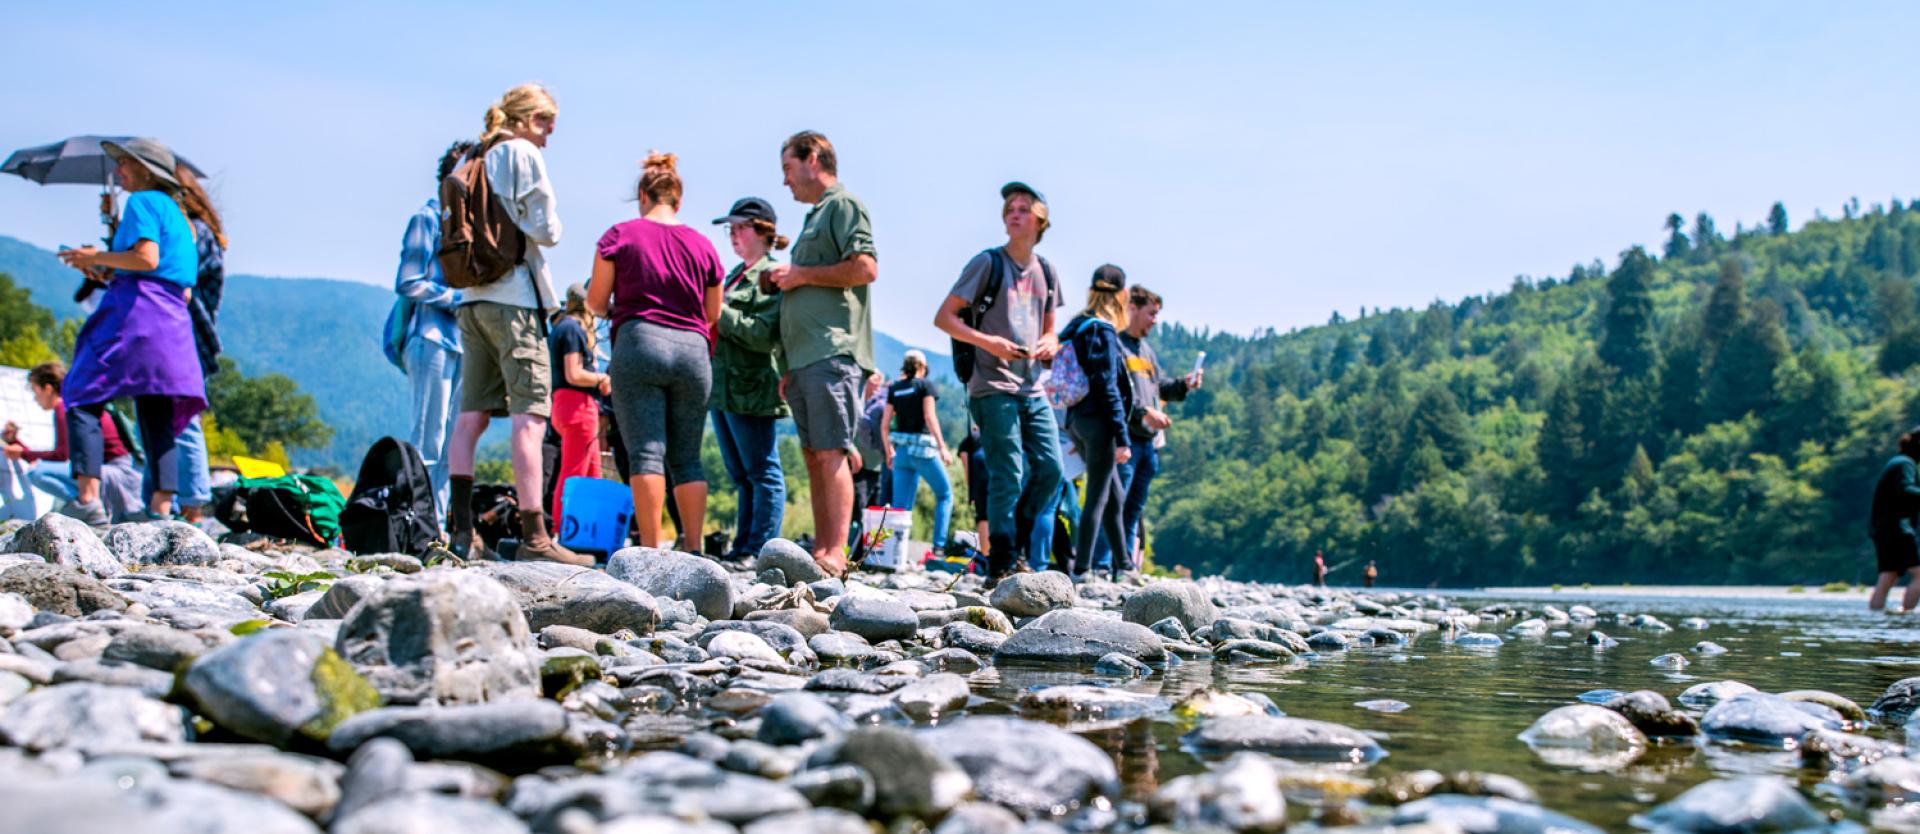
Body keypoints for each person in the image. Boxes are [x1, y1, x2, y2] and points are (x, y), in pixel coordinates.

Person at [444, 84, 581, 564]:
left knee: (470, 416)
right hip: (515, 298)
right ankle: (535, 538)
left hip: (470, 297)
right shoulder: (521, 152)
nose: (547, 136)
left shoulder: (477, 153)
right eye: (545, 123)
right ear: (525, 119)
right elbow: (546, 229)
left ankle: (460, 532)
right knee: (529, 417)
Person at [54, 138, 206, 527]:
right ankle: (160, 507)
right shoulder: (182, 217)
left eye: (124, 164)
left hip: (136, 312)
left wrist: (96, 257)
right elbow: (178, 279)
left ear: (144, 170)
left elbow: (146, 258)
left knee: (81, 389)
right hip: (172, 319)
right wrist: (105, 268)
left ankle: (87, 497)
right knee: (156, 406)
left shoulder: (142, 202)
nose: (118, 170)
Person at [586, 152, 724, 552]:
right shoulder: (703, 246)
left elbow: (596, 301)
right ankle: (694, 549)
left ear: (643, 196)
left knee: (647, 451)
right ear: (677, 201)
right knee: (687, 457)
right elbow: (713, 312)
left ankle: (649, 551)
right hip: (693, 352)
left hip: (640, 343)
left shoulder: (620, 236)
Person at [933, 182, 1064, 585]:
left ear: (1040, 220)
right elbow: (945, 317)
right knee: (1008, 471)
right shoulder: (987, 264)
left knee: (1051, 470)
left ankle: (1017, 547)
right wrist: (988, 341)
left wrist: (1049, 344)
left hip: (1032, 385)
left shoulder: (1046, 270)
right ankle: (1003, 560)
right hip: (991, 384)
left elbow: (1051, 329)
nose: (1014, 213)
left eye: (1024, 208)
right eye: (1010, 207)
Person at [765, 131, 877, 575]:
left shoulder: (842, 206)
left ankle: (835, 552)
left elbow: (865, 267)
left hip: (834, 351)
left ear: (813, 159)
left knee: (831, 451)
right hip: (806, 358)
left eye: (788, 169)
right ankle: (823, 548)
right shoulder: (816, 216)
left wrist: (801, 274)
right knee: (814, 453)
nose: (786, 182)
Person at [1090, 285, 1201, 574]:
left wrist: (1183, 385)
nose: (1154, 320)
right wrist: (1143, 412)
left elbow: (1160, 387)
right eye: (1151, 313)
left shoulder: (1147, 352)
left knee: (1133, 510)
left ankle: (1124, 565)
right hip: (1123, 439)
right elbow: (1111, 391)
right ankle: (1100, 566)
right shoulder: (1116, 345)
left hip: (1148, 444)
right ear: (1133, 309)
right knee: (1113, 504)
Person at [394, 140, 475, 518]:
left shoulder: (472, 229)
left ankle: (439, 523)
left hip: (463, 342)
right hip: (430, 337)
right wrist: (459, 299)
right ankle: (417, 520)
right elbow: (409, 281)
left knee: (452, 443)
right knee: (428, 437)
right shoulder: (427, 218)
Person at [709, 197, 789, 561]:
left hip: (752, 386)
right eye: (731, 229)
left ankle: (760, 549)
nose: (733, 236)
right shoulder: (736, 274)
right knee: (741, 475)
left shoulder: (770, 275)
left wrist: (718, 311)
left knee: (762, 472)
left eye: (740, 228)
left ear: (762, 231)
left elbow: (763, 335)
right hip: (724, 386)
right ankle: (743, 546)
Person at [1062, 265, 1134, 581]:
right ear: (1120, 295)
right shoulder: (1103, 330)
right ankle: (1082, 569)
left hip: (1076, 418)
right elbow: (1107, 384)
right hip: (1099, 422)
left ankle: (1125, 566)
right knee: (1097, 497)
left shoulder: (1076, 326)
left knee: (1113, 494)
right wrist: (1122, 434)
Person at [162, 162, 225, 524]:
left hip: (189, 336)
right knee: (169, 418)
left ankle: (194, 506)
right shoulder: (199, 233)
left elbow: (177, 276)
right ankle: (179, 501)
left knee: (183, 416)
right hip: (182, 335)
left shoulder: (198, 234)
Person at [3, 362, 142, 522]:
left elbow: (62, 455)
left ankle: (88, 507)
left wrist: (23, 453)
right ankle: (89, 506)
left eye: (35, 391)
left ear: (48, 388)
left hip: (117, 473)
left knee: (38, 473)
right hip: (121, 471)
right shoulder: (71, 406)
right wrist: (17, 444)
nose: (35, 399)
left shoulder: (64, 409)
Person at [548, 283, 610, 529]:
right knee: (574, 472)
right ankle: (562, 527)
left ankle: (588, 528)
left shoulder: (560, 326)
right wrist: (601, 378)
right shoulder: (573, 329)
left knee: (593, 471)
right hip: (577, 404)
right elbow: (573, 373)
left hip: (565, 404)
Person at [883, 350, 954, 551]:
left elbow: (885, 424)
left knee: (900, 508)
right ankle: (938, 547)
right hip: (923, 451)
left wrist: (889, 451)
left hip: (902, 452)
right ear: (923, 366)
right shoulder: (926, 385)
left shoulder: (894, 388)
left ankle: (895, 553)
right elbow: (929, 417)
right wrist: (942, 447)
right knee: (945, 495)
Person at [1868, 428, 1920, 612]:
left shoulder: (1896, 462)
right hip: (1897, 529)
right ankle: (1905, 619)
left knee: (1888, 576)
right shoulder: (1906, 464)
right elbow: (1906, 490)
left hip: (1882, 529)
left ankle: (1875, 619)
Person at [852, 371, 889, 518]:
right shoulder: (856, 402)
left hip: (878, 465)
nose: (876, 385)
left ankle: (868, 541)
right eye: (873, 380)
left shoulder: (881, 405)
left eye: (879, 382)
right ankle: (852, 539)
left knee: (875, 512)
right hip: (859, 464)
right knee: (858, 507)